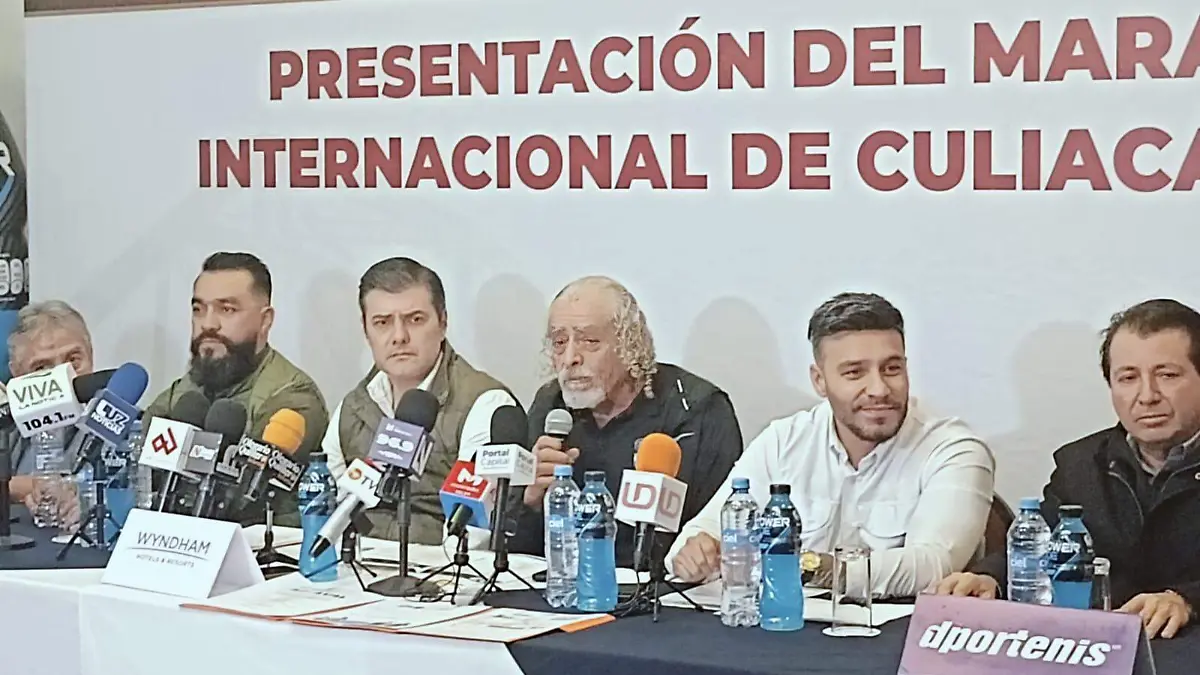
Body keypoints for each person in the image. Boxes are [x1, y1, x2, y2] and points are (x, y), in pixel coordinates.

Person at [667, 292, 996, 599]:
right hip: (791, 627)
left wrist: (816, 568)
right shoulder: (783, 441)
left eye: (892, 369)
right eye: (855, 373)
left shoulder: (955, 449)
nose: (879, 389)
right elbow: (705, 531)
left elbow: (933, 565)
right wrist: (695, 553)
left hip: (904, 634)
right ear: (819, 381)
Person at [932, 298, 1200, 640]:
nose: (1147, 396)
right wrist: (989, 577)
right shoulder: (1080, 465)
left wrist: (1186, 600)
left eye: (1167, 375)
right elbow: (1044, 544)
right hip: (1102, 649)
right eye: (1128, 378)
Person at [508, 275, 744, 567]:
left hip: (666, 588)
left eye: (589, 341)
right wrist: (531, 500)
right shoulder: (550, 406)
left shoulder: (696, 411)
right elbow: (518, 551)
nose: (570, 358)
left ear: (629, 344)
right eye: (559, 342)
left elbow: (719, 536)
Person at [321, 257, 517, 545]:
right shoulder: (353, 407)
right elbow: (329, 511)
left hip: (440, 568)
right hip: (356, 566)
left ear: (443, 322)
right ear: (365, 330)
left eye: (415, 320)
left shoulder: (485, 404)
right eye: (382, 323)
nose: (399, 336)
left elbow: (473, 534)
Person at [144, 252, 328, 525]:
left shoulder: (293, 396)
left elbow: (243, 502)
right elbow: (138, 471)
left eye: (227, 309)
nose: (208, 324)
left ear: (265, 321)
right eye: (199, 309)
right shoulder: (185, 394)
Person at [4, 300, 93, 525]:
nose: (64, 378)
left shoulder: (121, 423)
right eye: (42, 368)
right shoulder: (8, 423)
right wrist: (23, 486)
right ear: (17, 375)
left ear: (91, 356)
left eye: (73, 361)